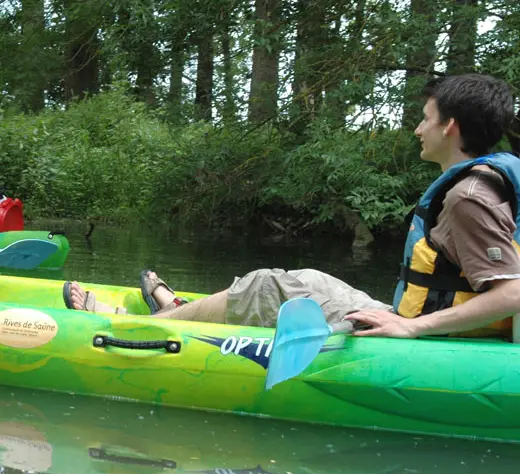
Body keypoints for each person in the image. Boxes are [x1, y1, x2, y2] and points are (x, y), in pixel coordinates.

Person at [65, 73, 520, 340]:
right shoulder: (489, 181)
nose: (418, 129)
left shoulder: (468, 197)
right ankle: (173, 309)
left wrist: (413, 329)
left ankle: (127, 328)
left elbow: (512, 293)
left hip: (427, 336)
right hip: (422, 319)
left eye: (425, 118)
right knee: (305, 279)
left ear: (451, 126)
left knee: (267, 287)